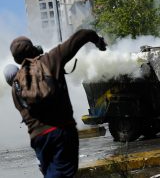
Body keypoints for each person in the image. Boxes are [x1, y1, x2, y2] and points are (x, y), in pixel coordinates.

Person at [9, 29, 107, 177]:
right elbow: (82, 35)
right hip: (62, 132)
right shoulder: (50, 59)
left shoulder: (16, 84)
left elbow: (24, 112)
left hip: (38, 139)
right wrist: (98, 41)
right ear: (33, 48)